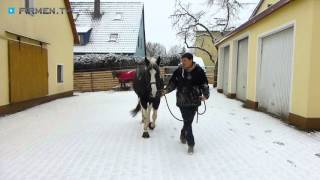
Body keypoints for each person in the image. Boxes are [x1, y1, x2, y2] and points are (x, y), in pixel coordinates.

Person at [161, 52, 210, 154]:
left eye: (185, 61)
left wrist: (206, 95)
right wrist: (165, 91)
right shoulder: (179, 71)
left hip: (194, 100)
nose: (182, 63)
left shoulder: (199, 71)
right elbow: (173, 83)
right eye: (182, 60)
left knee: (188, 121)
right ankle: (191, 144)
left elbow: (204, 84)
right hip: (182, 100)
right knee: (187, 121)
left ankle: (183, 133)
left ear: (191, 60)